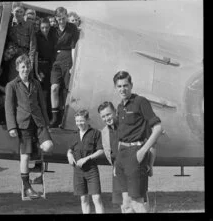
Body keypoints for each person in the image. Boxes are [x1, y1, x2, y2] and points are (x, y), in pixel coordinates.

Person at [113, 71, 163, 213]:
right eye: (119, 86)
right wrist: (117, 159)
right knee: (126, 205)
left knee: (137, 203)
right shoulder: (120, 107)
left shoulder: (141, 102)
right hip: (121, 156)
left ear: (131, 85)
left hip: (135, 154)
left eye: (125, 85)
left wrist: (142, 151)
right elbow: (120, 134)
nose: (122, 89)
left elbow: (158, 128)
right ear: (116, 88)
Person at [5, 54, 54, 199]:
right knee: (25, 156)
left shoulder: (36, 83)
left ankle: (35, 146)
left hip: (38, 122)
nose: (25, 69)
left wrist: (47, 123)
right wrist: (12, 127)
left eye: (27, 66)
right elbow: (9, 108)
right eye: (23, 67)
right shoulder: (11, 85)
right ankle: (27, 187)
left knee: (49, 146)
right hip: (23, 124)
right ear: (17, 69)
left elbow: (42, 105)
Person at [67, 109, 105, 214]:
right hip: (78, 171)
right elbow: (70, 149)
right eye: (77, 121)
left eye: (82, 121)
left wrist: (86, 158)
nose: (79, 123)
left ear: (88, 120)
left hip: (91, 170)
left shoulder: (96, 133)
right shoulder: (74, 134)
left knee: (96, 198)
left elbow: (101, 150)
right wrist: (69, 154)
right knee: (83, 199)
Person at [49, 7, 80, 128]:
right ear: (56, 18)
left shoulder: (72, 28)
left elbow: (74, 47)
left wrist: (73, 64)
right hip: (56, 60)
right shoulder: (53, 29)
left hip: (68, 57)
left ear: (66, 16)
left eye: (63, 18)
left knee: (66, 90)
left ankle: (64, 118)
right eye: (59, 19)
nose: (61, 21)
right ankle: (54, 118)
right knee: (54, 88)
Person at [97, 101, 122, 213]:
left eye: (108, 114)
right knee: (122, 203)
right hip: (116, 170)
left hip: (131, 167)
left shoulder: (126, 125)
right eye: (103, 116)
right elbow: (108, 152)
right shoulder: (104, 132)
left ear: (115, 112)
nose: (107, 118)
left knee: (137, 201)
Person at [5, 3, 36, 83]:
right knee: (13, 81)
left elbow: (32, 45)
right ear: (12, 11)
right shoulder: (8, 24)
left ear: (24, 12)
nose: (19, 14)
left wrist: (31, 61)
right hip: (12, 55)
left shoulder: (29, 25)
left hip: (25, 54)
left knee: (25, 81)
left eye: (21, 12)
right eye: (17, 11)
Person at [35, 17, 56, 119]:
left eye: (47, 27)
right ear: (39, 27)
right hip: (41, 66)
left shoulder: (52, 35)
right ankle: (42, 115)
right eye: (42, 28)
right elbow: (35, 54)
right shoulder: (37, 36)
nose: (45, 30)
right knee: (42, 93)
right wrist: (38, 71)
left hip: (50, 66)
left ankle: (48, 115)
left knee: (49, 92)